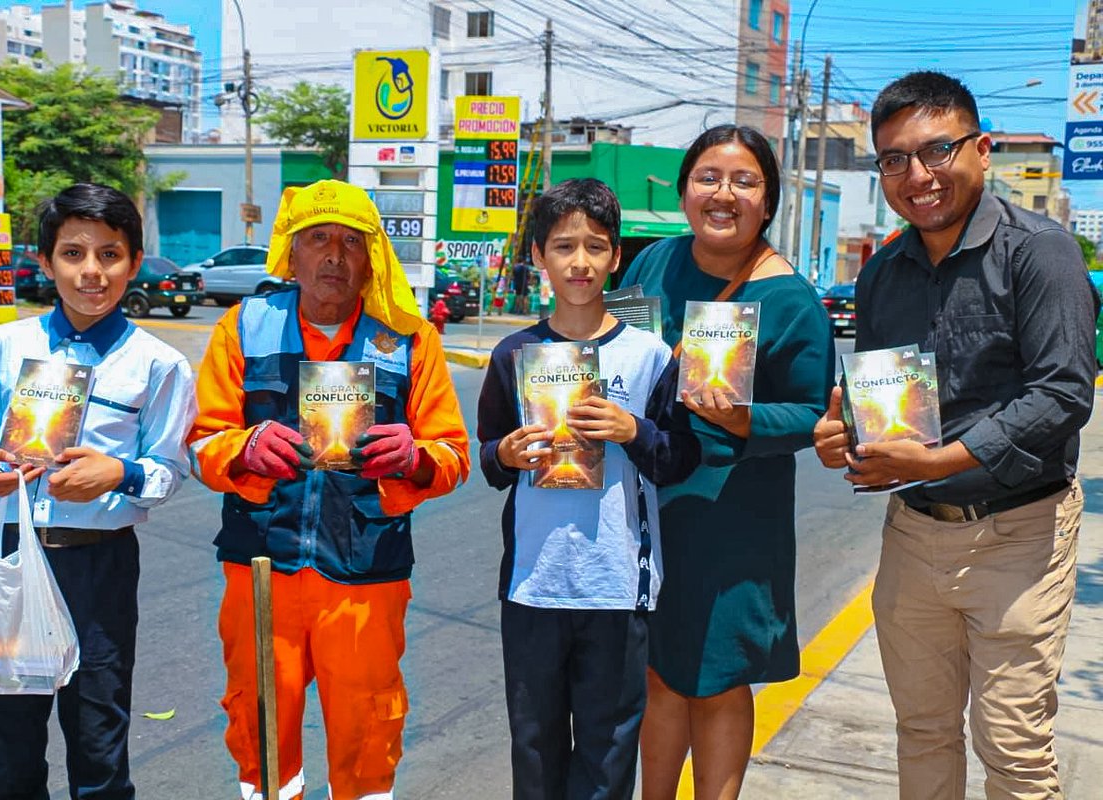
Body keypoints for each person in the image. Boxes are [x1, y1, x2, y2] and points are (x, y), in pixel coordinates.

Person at [812, 71, 1098, 799]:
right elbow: (884, 403)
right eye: (894, 159)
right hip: (912, 533)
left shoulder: (1041, 252)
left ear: (982, 149)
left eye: (937, 150)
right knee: (923, 731)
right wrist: (844, 434)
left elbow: (1063, 394)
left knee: (1014, 750)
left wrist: (942, 459)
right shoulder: (882, 274)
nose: (918, 176)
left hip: (1020, 534)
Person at [188, 180, 471, 800]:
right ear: (291, 253)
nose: (335, 256)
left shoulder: (409, 339)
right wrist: (246, 448)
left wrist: (414, 458)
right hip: (262, 570)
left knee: (369, 730)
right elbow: (201, 444)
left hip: (367, 573)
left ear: (372, 257)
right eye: (318, 239)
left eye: (352, 241)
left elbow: (453, 455)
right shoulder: (244, 327)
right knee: (260, 726)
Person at [0, 183, 196, 799]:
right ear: (45, 262)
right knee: (5, 746)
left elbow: (169, 467)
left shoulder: (158, 364)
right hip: (8, 556)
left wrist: (121, 474)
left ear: (133, 263)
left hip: (99, 567)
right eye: (73, 253)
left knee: (98, 740)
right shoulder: (2, 347)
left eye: (110, 254)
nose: (92, 271)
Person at [620, 125, 835, 800]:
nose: (724, 194)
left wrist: (744, 419)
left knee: (717, 676)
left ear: (767, 202)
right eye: (708, 177)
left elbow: (812, 414)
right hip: (650, 499)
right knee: (659, 670)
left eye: (745, 181)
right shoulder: (652, 263)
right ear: (684, 190)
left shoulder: (791, 299)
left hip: (733, 513)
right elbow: (620, 352)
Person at [477, 177, 700, 799]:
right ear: (539, 256)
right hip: (533, 584)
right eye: (563, 246)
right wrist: (507, 452)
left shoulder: (650, 355)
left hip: (617, 587)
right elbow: (489, 458)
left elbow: (680, 458)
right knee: (535, 748)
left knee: (608, 755)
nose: (580, 262)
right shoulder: (514, 353)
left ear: (616, 256)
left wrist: (633, 430)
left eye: (596, 247)